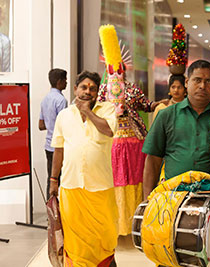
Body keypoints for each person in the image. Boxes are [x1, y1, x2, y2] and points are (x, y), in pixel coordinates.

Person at [142, 60, 210, 243]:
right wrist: (148, 205)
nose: (202, 86)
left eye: (208, 81)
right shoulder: (166, 116)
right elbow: (152, 162)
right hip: (170, 207)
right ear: (187, 82)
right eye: (197, 80)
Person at [97, 24, 168, 236]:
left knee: (137, 181)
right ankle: (117, 226)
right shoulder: (103, 91)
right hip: (113, 144)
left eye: (120, 69)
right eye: (114, 69)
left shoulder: (132, 90)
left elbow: (145, 105)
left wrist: (157, 104)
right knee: (116, 183)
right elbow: (97, 112)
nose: (118, 72)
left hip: (135, 143)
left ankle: (136, 223)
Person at [49, 71, 118, 266]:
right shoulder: (64, 115)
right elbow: (58, 150)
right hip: (71, 186)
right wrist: (53, 180)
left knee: (104, 235)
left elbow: (108, 130)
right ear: (75, 89)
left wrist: (88, 111)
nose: (88, 91)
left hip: (101, 186)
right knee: (75, 240)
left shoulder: (107, 109)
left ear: (98, 92)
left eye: (92, 88)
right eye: (84, 87)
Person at [39, 68, 68, 200]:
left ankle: (50, 212)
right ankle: (60, 213)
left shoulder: (45, 99)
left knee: (51, 179)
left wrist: (51, 125)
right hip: (59, 147)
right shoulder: (61, 100)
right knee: (62, 179)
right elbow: (64, 125)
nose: (66, 83)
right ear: (59, 82)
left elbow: (41, 125)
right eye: (65, 80)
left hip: (48, 145)